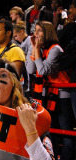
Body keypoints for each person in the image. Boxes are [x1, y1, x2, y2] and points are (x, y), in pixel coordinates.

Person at [26, 21, 75, 160]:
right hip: (47, 95)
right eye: (35, 30)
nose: (36, 34)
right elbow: (31, 70)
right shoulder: (39, 48)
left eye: (39, 31)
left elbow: (42, 70)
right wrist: (33, 48)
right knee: (51, 132)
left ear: (47, 32)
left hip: (62, 95)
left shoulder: (56, 49)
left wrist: (36, 50)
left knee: (66, 133)